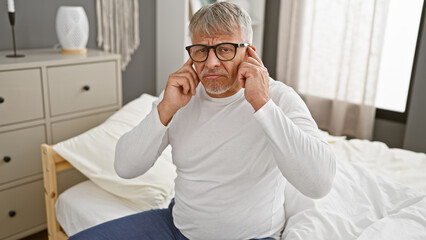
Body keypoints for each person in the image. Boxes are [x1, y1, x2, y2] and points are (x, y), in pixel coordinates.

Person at [69, 2, 336, 240]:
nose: (210, 63)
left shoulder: (277, 98)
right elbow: (125, 167)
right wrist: (165, 109)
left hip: (254, 236)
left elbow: (319, 183)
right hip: (175, 227)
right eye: (200, 50)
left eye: (224, 49)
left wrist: (262, 104)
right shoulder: (179, 96)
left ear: (250, 53)